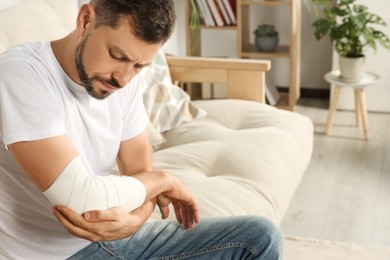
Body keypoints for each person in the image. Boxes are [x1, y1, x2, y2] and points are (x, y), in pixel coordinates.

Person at [0, 0, 283, 259]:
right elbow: (80, 198)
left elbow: (139, 171)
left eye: (139, 66)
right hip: (53, 255)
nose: (123, 79)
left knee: (261, 237)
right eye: (117, 55)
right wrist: (164, 181)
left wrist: (135, 220)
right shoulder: (21, 74)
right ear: (86, 20)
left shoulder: (123, 80)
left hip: (115, 241)